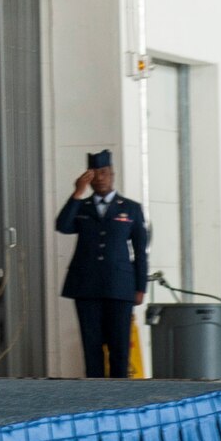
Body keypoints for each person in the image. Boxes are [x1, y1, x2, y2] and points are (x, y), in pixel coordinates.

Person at [55, 149, 150, 378]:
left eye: (104, 172)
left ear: (112, 174)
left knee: (119, 348)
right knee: (92, 346)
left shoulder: (130, 208)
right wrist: (77, 193)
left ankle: (119, 398)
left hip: (120, 286)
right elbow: (63, 226)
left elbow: (140, 251)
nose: (100, 177)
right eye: (95, 173)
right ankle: (95, 398)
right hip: (86, 286)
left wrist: (140, 287)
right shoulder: (82, 206)